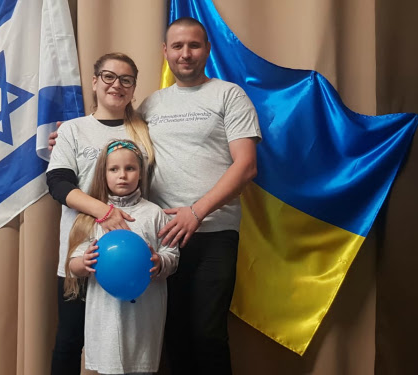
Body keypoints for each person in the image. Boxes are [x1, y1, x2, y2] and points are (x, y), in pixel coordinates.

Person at [48, 17, 260, 374]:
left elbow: (247, 166)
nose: (185, 53)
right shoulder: (149, 108)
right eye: (177, 46)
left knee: (206, 335)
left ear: (207, 49)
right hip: (130, 237)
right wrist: (67, 136)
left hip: (202, 231)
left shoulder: (225, 95)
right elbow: (91, 150)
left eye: (194, 45)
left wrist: (196, 211)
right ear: (165, 52)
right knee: (164, 336)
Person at [46, 53, 154, 375]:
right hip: (82, 251)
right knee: (69, 341)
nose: (116, 85)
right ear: (94, 82)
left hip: (132, 257)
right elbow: (58, 184)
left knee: (131, 345)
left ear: (134, 88)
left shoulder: (145, 134)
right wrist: (104, 212)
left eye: (126, 79)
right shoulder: (73, 130)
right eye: (108, 76)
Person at [66, 139, 179, 375]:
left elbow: (172, 255)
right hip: (105, 315)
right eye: (114, 169)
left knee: (141, 367)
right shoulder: (93, 215)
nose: (122, 175)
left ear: (140, 174)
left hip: (144, 317)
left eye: (130, 168)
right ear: (103, 173)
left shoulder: (154, 213)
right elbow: (73, 264)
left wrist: (160, 261)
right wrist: (84, 263)